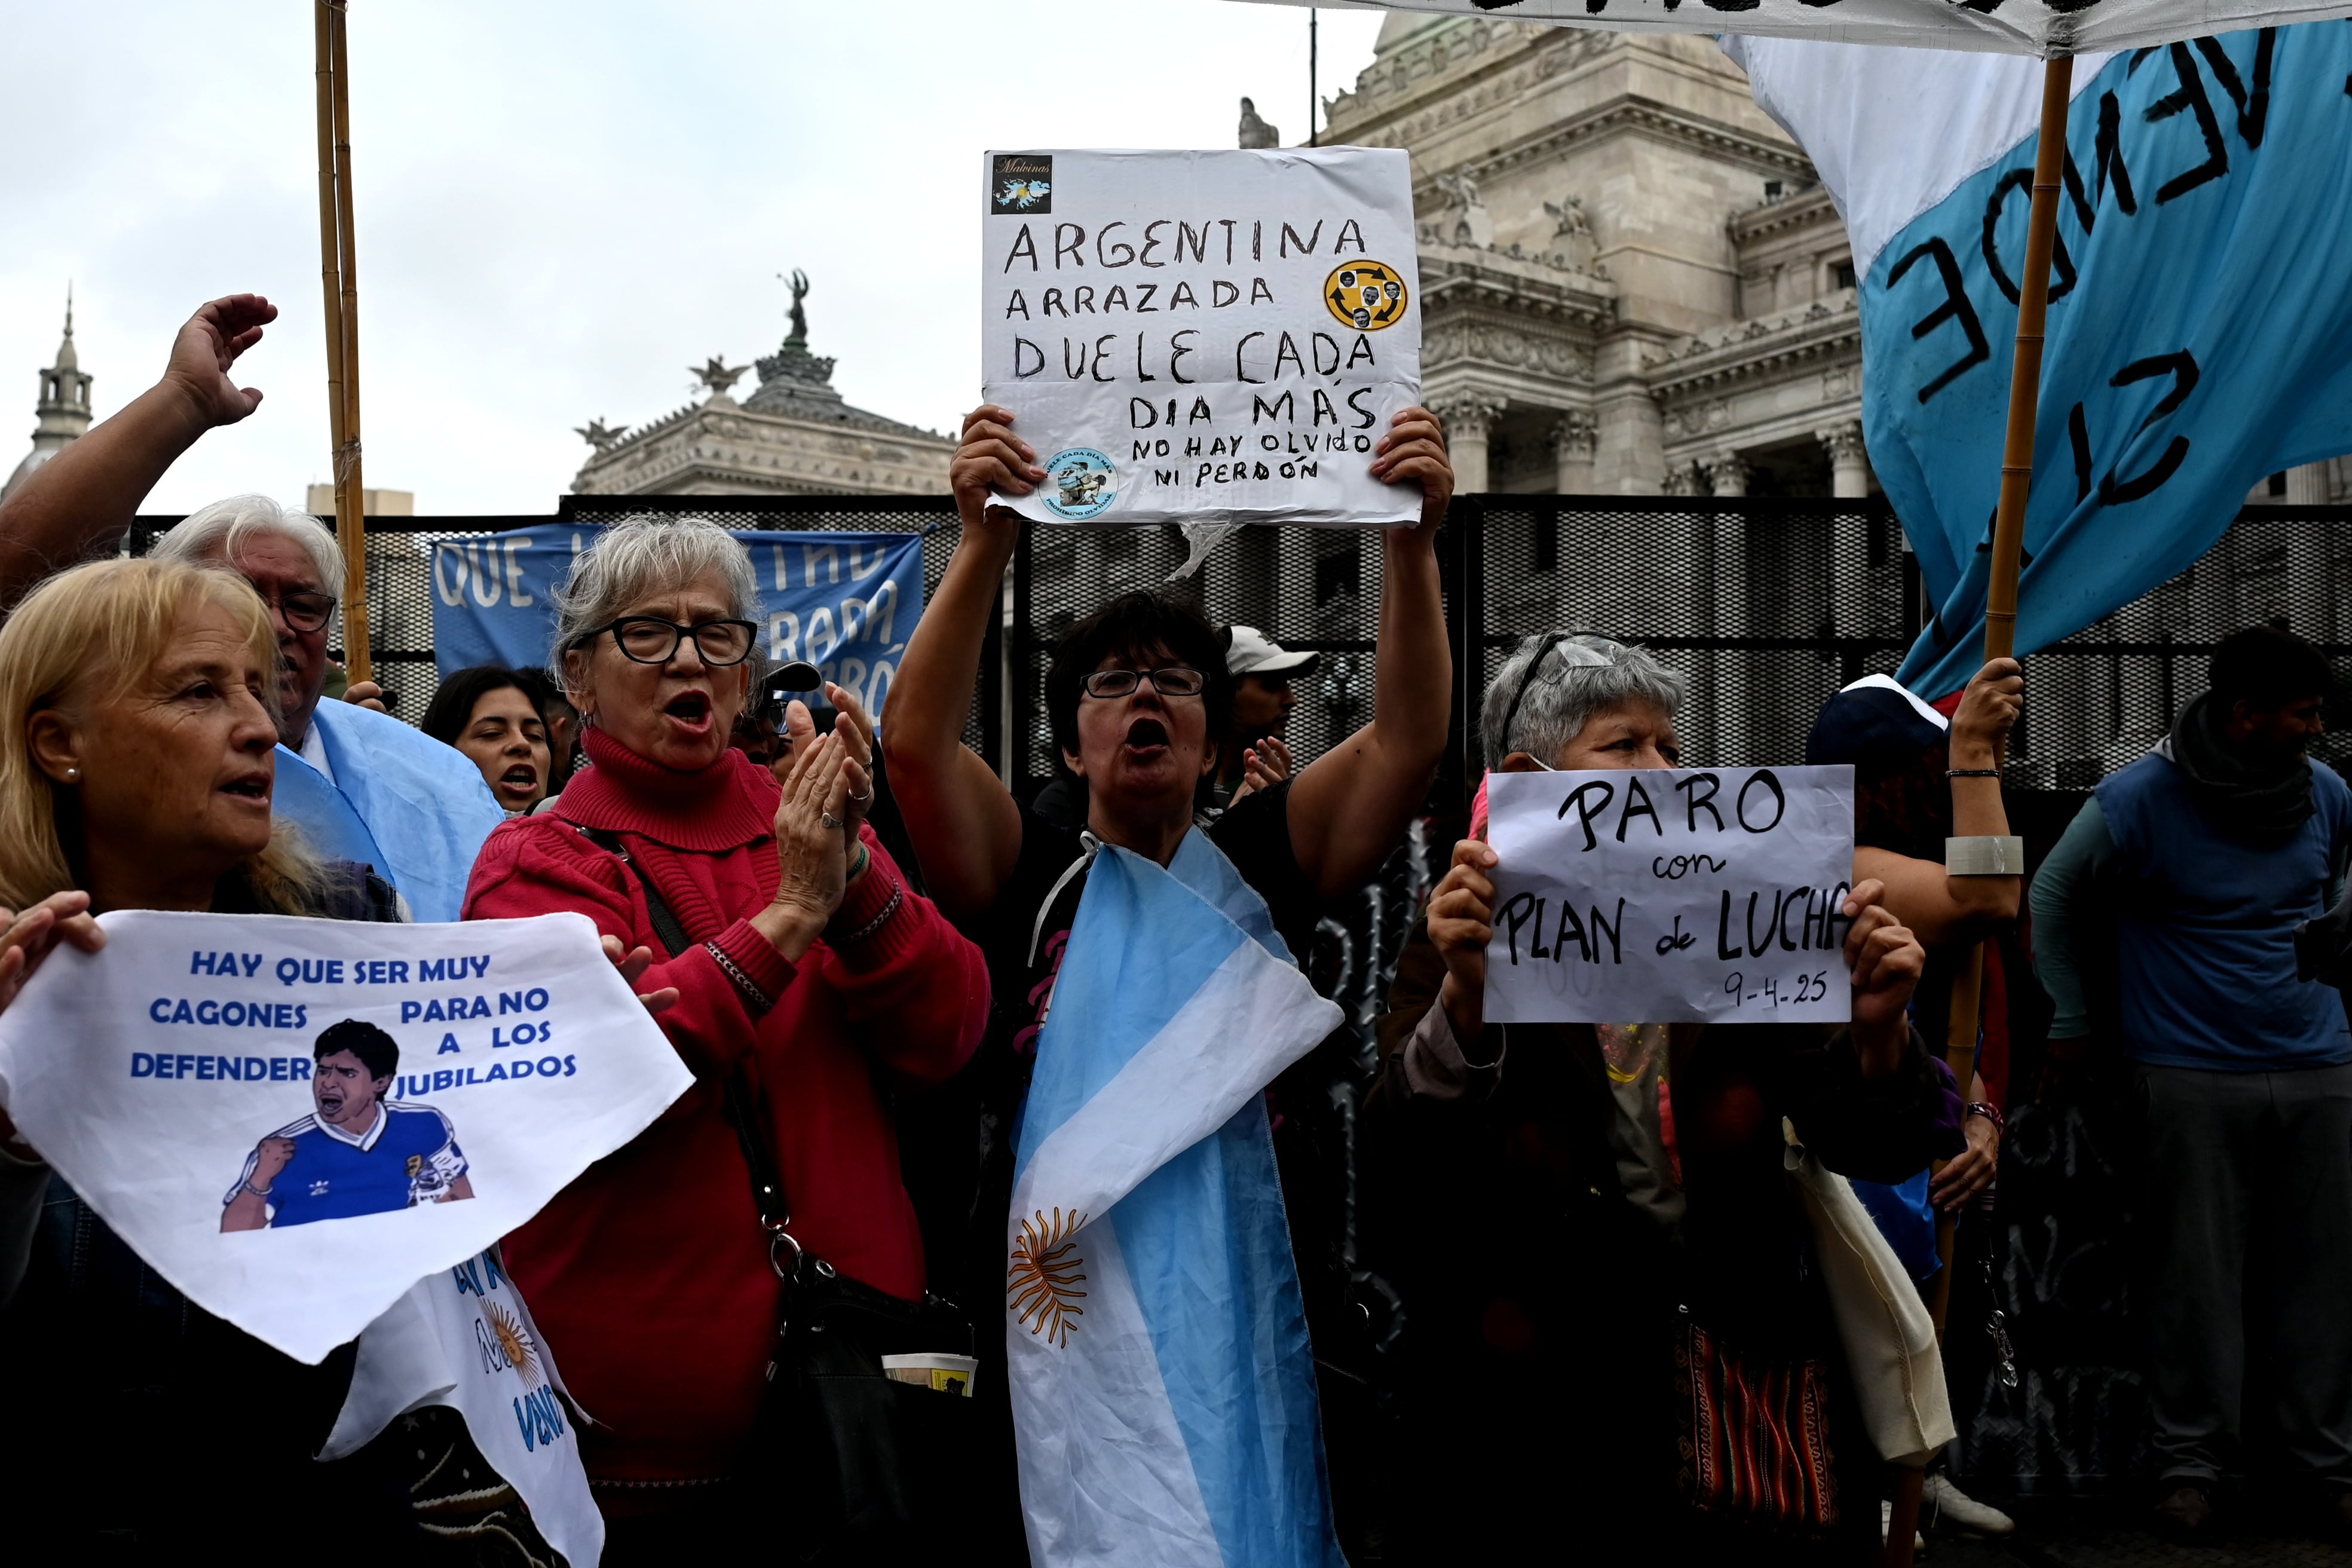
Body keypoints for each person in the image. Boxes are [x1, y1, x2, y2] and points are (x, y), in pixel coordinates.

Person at [883, 401, 1454, 1555]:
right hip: (1059, 1310)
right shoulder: (1025, 870)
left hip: (1250, 1294)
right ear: (1067, 742)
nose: (1144, 696)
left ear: (1213, 732)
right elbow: (913, 748)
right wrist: (984, 537)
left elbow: (1406, 737)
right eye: (1109, 683)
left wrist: (1409, 539)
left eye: (1173, 681)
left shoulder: (1264, 862)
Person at [0, 556, 581, 1556]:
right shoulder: (11, 977)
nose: (263, 726)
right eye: (198, 690)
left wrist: (542, 1048)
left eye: (256, 687)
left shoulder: (347, 935)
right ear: (61, 743)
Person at [1360, 632, 1961, 1566]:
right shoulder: (1464, 921)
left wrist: (1879, 1030)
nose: (1664, 772)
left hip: (1733, 1390)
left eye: (1673, 750)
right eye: (1625, 746)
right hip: (1536, 1409)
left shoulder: (1742, 925)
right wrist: (1465, 1001)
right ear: (1535, 777)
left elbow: (1874, 1143)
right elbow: (1404, 1158)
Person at [461, 517, 989, 1559]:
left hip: (859, 1421)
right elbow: (598, 1080)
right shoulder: (534, 861)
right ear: (579, 673)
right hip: (644, 1454)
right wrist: (792, 912)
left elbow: (951, 1032)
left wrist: (855, 873)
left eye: (717, 633)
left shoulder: (807, 820)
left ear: (747, 671)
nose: (691, 658)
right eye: (648, 634)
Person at [0, 293, 504, 919]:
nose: (271, 627)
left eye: (302, 603)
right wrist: (182, 401)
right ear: (58, 740)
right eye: (201, 688)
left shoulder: (392, 853)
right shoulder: (29, 938)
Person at [2031, 625, 2352, 1541]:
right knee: (2195, 1281)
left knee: (2324, 1280)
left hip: (2318, 1064)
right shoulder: (2140, 796)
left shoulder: (2325, 794)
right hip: (2188, 1069)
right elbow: (2052, 896)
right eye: (2302, 712)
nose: (2317, 728)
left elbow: (2337, 885)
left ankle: (2323, 1469)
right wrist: (2068, 1020)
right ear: (2244, 715)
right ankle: (2192, 1469)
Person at [1805, 660, 2038, 1539]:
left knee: (1930, 1319)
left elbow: (1952, 1011)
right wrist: (1974, 751)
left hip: (1924, 1122)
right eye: (1930, 775)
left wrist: (1980, 1114)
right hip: (1852, 1145)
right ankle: (1870, 1488)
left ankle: (1914, 1477)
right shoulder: (1846, 861)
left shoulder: (1911, 850)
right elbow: (1988, 896)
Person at [220, 1018, 472, 1230]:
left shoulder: (424, 1125)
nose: (328, 1083)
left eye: (346, 1073)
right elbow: (235, 1235)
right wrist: (262, 1177)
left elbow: (459, 1201)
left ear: (381, 1083)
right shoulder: (282, 1150)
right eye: (323, 1070)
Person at [423, 664, 555, 814]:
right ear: (442, 752)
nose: (522, 744)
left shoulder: (581, 834)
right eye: (491, 733)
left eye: (534, 735)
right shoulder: (403, 834)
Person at [1215, 623, 1313, 806]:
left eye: (1287, 685)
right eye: (1273, 685)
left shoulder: (1269, 789)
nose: (1292, 700)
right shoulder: (1176, 796)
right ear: (1225, 694)